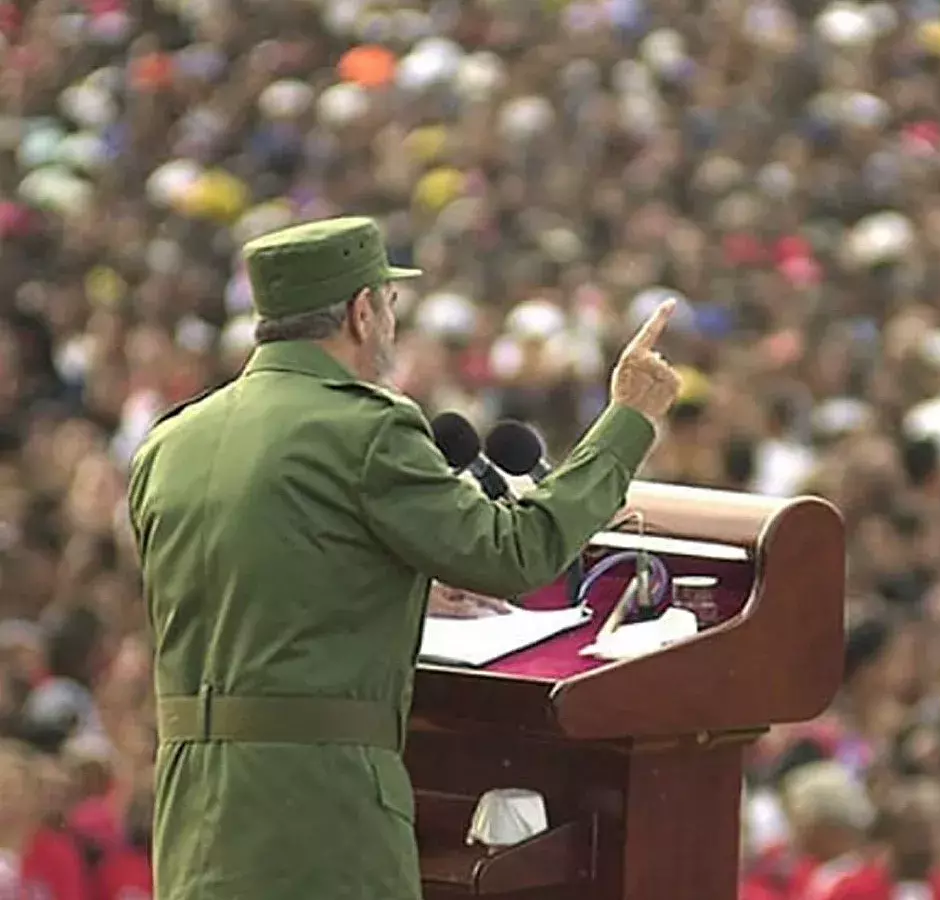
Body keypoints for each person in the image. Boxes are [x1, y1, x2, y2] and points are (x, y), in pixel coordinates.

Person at [125, 216, 683, 900]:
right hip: (323, 814)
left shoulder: (170, 443)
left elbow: (256, 590)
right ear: (362, 313)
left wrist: (404, 582)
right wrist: (626, 420)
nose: (392, 320)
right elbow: (516, 552)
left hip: (192, 811)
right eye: (389, 303)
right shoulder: (366, 427)